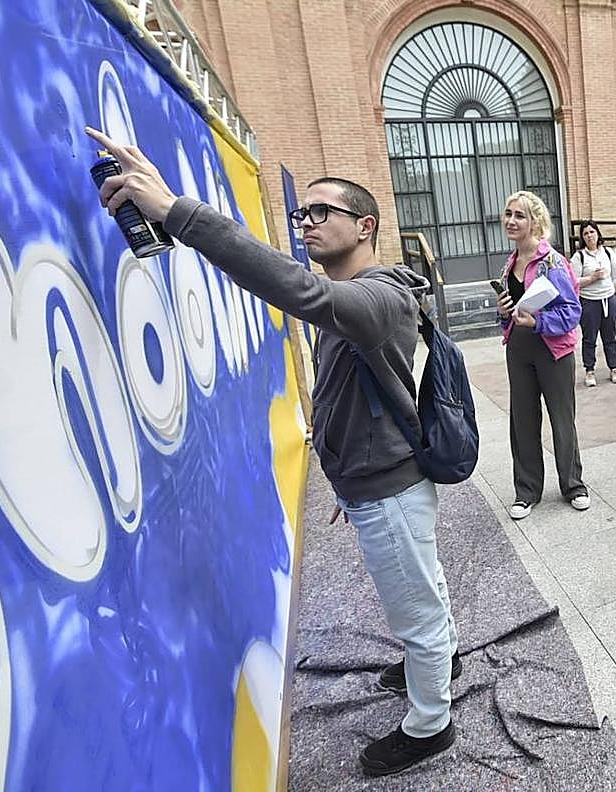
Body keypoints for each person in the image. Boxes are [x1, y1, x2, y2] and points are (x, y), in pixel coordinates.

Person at [85, 129, 461, 777]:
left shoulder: (380, 296)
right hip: (375, 483)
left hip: (391, 490)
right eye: (302, 213)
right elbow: (352, 396)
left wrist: (178, 212)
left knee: (416, 607)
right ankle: (439, 658)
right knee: (419, 589)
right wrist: (346, 476)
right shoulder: (359, 302)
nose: (307, 223)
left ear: (365, 226)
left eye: (322, 212)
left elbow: (300, 292)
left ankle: (431, 725)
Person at [494, 191, 589, 520]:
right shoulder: (510, 263)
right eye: (508, 214)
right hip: (518, 349)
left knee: (562, 420)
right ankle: (526, 491)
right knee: (522, 421)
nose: (511, 221)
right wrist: (504, 312)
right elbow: (511, 313)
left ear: (535, 221)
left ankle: (573, 485)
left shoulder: (553, 262)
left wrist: (538, 321)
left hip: (553, 350)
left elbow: (572, 311)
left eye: (519, 215)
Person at [571, 221, 616, 386]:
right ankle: (590, 371)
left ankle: (614, 368)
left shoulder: (608, 252)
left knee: (610, 337)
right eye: (585, 233)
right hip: (589, 303)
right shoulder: (579, 257)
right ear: (582, 237)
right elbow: (573, 282)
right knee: (589, 338)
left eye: (592, 232)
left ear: (598, 234)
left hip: (608, 300)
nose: (589, 236)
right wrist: (592, 278)